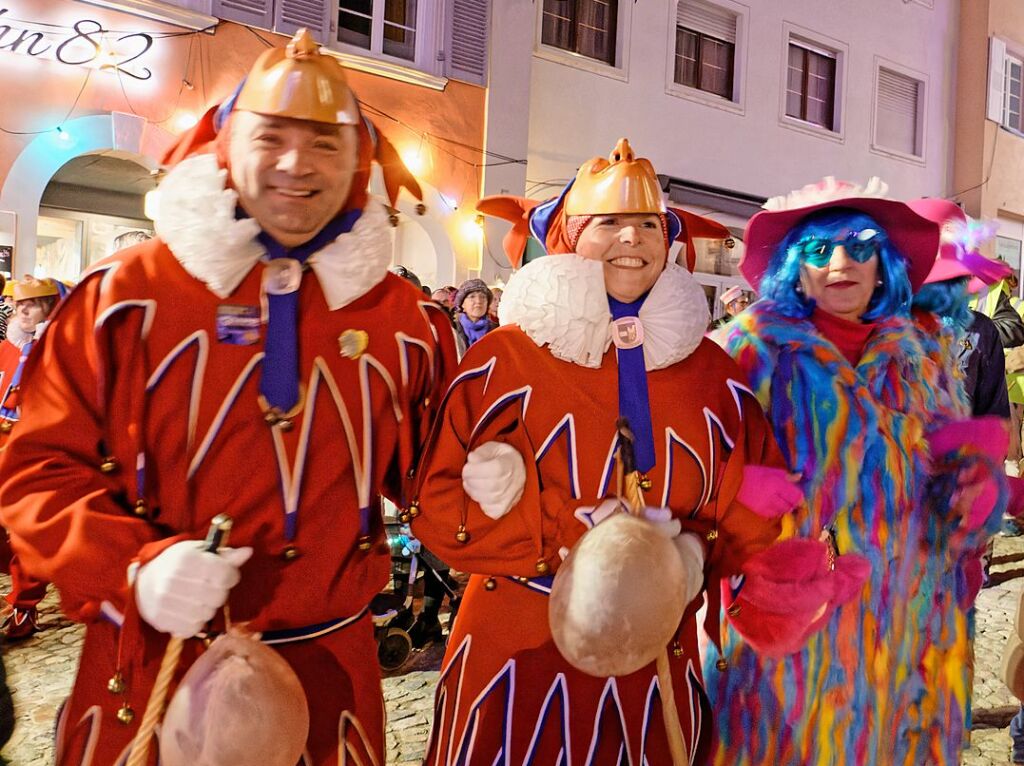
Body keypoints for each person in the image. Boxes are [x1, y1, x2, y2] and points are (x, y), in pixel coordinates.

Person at [0, 29, 455, 766]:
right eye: (271, 136)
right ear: (224, 143)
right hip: (156, 662)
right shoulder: (125, 298)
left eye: (325, 143)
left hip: (330, 675)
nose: (295, 164)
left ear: (359, 163)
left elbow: (431, 470)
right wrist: (134, 566)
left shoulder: (401, 318)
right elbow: (36, 473)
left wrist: (501, 462)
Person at [411, 140, 861, 763]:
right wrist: (567, 533)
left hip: (656, 667)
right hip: (519, 656)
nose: (632, 238)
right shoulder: (504, 360)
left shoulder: (711, 371)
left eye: (649, 223)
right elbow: (437, 505)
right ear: (570, 236)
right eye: (610, 223)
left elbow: (755, 496)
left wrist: (708, 555)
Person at [706, 178, 1009, 766]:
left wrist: (971, 492)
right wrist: (734, 489)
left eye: (860, 245)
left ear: (883, 265)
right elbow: (685, 468)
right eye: (819, 250)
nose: (840, 262)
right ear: (795, 268)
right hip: (796, 624)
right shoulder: (746, 353)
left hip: (905, 627)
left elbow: (949, 478)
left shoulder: (919, 358)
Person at [0, 277, 62, 639]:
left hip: (36, 449)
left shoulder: (59, 351)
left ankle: (25, 606)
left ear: (50, 307)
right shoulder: (7, 349)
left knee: (27, 531)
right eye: (19, 303)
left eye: (33, 303)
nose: (22, 309)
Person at [453, 277, 498, 347]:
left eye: (483, 297)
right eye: (472, 297)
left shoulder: (497, 330)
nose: (478, 301)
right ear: (462, 304)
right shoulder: (452, 329)